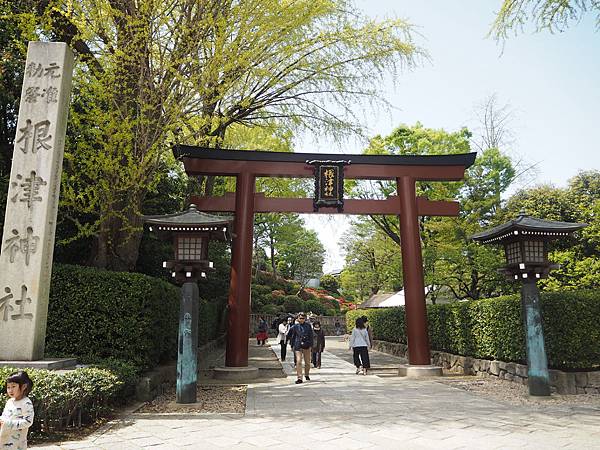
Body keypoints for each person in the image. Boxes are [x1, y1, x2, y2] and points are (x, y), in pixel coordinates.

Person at [0, 370, 34, 449]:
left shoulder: (26, 403)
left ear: (23, 387)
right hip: (4, 438)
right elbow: (4, 416)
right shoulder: (9, 401)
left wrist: (9, 424)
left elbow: (28, 421)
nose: (10, 390)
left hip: (17, 442)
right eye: (8, 387)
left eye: (13, 386)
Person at [287, 312, 313, 384]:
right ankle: (299, 377)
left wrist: (311, 345)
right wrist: (291, 345)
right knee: (298, 361)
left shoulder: (308, 326)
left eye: (303, 318)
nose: (302, 320)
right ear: (298, 318)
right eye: (300, 318)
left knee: (307, 362)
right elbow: (290, 336)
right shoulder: (295, 327)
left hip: (307, 345)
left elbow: (311, 336)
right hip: (298, 345)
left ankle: (307, 374)